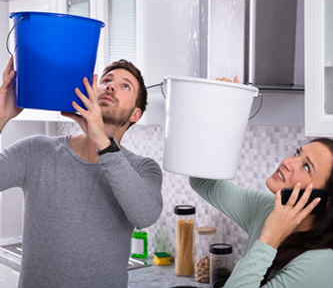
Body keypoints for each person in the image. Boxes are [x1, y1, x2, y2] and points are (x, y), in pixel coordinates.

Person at [0, 57, 163, 288]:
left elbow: (145, 215)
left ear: (135, 115)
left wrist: (102, 141)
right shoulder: (36, 151)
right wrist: (1, 116)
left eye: (125, 85)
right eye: (106, 80)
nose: (111, 86)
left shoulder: (143, 168)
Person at [189, 79, 333, 287]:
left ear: (323, 201)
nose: (287, 162)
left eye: (306, 167)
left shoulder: (321, 265)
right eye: (296, 154)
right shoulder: (266, 208)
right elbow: (202, 181)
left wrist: (269, 238)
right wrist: (221, 109)